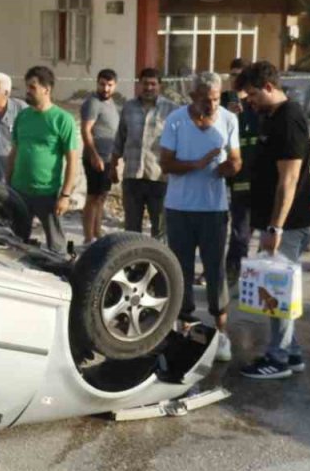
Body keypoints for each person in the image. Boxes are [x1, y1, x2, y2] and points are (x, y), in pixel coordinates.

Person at [239, 61, 310, 380]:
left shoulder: (289, 119)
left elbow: (289, 179)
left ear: (270, 87)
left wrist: (276, 227)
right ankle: (292, 350)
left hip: (289, 221)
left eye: (253, 94)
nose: (250, 102)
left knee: (277, 290)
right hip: (277, 219)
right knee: (278, 287)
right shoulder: (271, 116)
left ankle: (279, 357)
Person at [159, 72, 241, 362]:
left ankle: (221, 335)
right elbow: (165, 163)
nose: (212, 105)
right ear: (193, 97)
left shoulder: (229, 120)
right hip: (179, 208)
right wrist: (198, 163)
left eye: (217, 99)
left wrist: (229, 168)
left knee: (215, 271)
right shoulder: (176, 120)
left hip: (214, 209)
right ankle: (186, 330)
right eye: (206, 100)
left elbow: (236, 160)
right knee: (180, 270)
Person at [7, 66, 81, 253]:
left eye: (32, 87)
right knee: (15, 243)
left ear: (46, 90)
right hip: (19, 191)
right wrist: (7, 185)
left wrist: (65, 195)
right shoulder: (23, 117)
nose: (28, 92)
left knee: (56, 246)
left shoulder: (62, 120)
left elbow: (73, 161)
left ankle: (59, 277)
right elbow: (13, 153)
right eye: (27, 87)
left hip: (47, 193)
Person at [112, 68, 168, 237]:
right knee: (131, 228)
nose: (149, 88)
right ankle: (134, 262)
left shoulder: (171, 110)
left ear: (160, 86)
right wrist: (113, 166)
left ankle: (158, 263)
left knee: (159, 228)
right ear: (139, 84)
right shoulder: (129, 107)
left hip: (159, 178)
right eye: (145, 83)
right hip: (132, 177)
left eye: (153, 84)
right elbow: (120, 138)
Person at [226, 70, 262, 282]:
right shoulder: (225, 104)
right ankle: (233, 271)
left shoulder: (261, 110)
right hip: (240, 182)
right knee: (240, 231)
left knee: (265, 232)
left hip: (261, 181)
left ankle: (259, 275)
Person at [79, 69, 121, 244]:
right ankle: (88, 237)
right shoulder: (93, 103)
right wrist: (94, 155)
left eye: (109, 85)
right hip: (95, 158)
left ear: (115, 86)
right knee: (93, 197)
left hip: (108, 158)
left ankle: (97, 232)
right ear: (97, 83)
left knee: (102, 197)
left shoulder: (112, 104)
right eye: (102, 84)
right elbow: (86, 130)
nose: (105, 88)